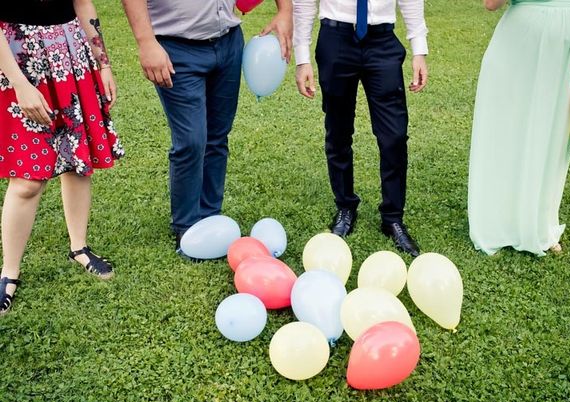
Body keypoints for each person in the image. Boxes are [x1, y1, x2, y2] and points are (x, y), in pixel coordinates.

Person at [121, 0, 293, 259]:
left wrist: (285, 11)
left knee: (217, 136)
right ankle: (187, 227)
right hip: (176, 46)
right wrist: (146, 42)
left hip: (228, 42)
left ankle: (211, 217)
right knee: (191, 140)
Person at [468, 0, 570, 256]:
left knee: (553, 135)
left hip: (569, 58)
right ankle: (495, 223)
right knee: (509, 131)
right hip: (520, 49)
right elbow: (491, 4)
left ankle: (539, 224)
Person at [0, 0, 123, 315]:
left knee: (76, 160)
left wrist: (103, 63)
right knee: (27, 181)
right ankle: (9, 271)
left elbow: (82, 3)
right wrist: (19, 83)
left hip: (69, 52)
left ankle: (78, 247)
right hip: (17, 57)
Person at [293, 0, 428, 257]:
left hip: (382, 42)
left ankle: (392, 218)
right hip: (336, 39)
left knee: (394, 136)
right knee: (338, 131)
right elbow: (305, 2)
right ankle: (345, 206)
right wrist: (302, 57)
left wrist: (419, 49)